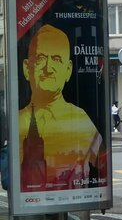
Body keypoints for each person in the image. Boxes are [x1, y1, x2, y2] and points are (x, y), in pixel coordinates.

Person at [17, 24, 104, 192]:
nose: (48, 69)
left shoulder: (82, 120)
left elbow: (101, 165)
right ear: (27, 69)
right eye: (41, 58)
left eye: (56, 59)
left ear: (68, 70)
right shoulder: (16, 122)